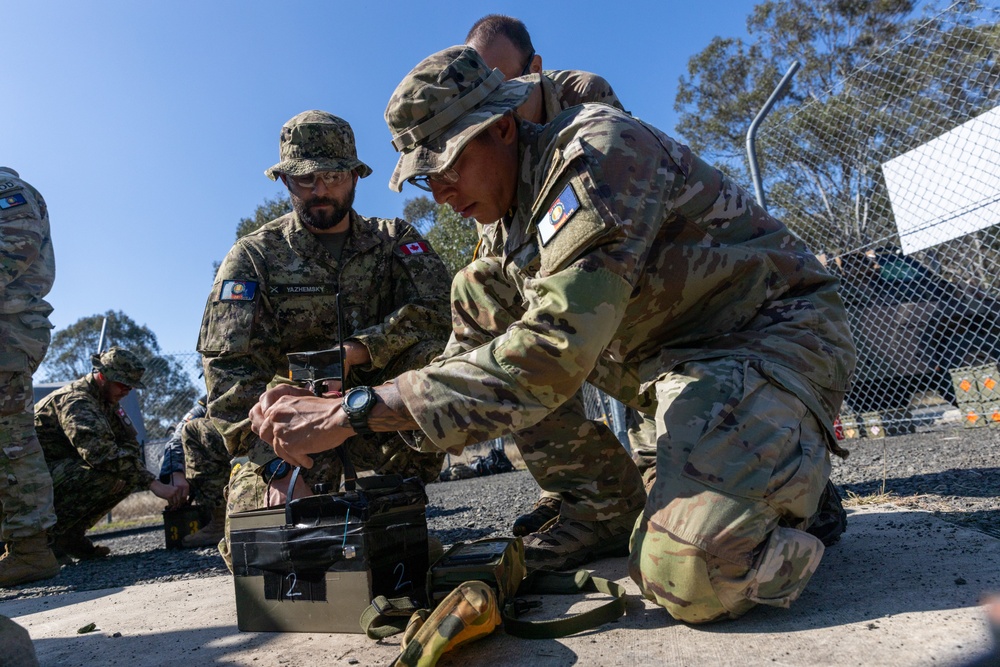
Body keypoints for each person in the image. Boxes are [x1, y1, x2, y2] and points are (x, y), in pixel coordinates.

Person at [250, 46, 858, 624]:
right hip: (666, 369)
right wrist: (348, 436)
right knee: (479, 287)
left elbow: (552, 350)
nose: (439, 191)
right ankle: (602, 507)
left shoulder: (597, 149)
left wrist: (355, 411)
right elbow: (468, 370)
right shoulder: (506, 228)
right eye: (422, 178)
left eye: (448, 163)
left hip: (767, 342)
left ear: (504, 128)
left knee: (689, 575)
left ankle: (792, 489)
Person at [197, 111, 452, 566]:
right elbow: (227, 371)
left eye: (332, 176)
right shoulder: (254, 257)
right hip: (293, 433)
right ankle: (353, 528)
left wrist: (359, 351)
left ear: (355, 175)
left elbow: (439, 314)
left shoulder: (395, 240)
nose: (319, 190)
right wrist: (274, 462)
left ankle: (395, 505)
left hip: (380, 419)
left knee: (437, 358)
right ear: (284, 181)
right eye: (303, 179)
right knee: (261, 555)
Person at [465, 14, 635, 537]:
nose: (492, 103)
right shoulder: (489, 135)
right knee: (487, 294)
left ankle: (781, 472)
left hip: (622, 300)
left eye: (503, 84)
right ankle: (576, 490)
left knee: (684, 506)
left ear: (534, 69)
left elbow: (604, 215)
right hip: (550, 294)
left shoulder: (585, 100)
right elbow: (491, 253)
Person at [34, 347, 182, 561]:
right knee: (108, 473)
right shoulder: (77, 401)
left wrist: (142, 475)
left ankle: (69, 536)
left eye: (131, 387)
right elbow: (101, 455)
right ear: (103, 376)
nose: (127, 391)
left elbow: (128, 444)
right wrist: (154, 484)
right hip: (31, 480)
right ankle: (46, 540)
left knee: (126, 474)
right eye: (123, 384)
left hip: (56, 472)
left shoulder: (105, 401)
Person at [0, 167, 60, 587]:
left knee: (10, 441)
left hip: (6, 332)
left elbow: (15, 245)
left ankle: (30, 549)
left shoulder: (7, 189)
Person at [157, 395, 230, 548]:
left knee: (193, 431)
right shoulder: (207, 404)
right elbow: (176, 440)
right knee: (187, 433)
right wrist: (175, 473)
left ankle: (222, 522)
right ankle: (219, 518)